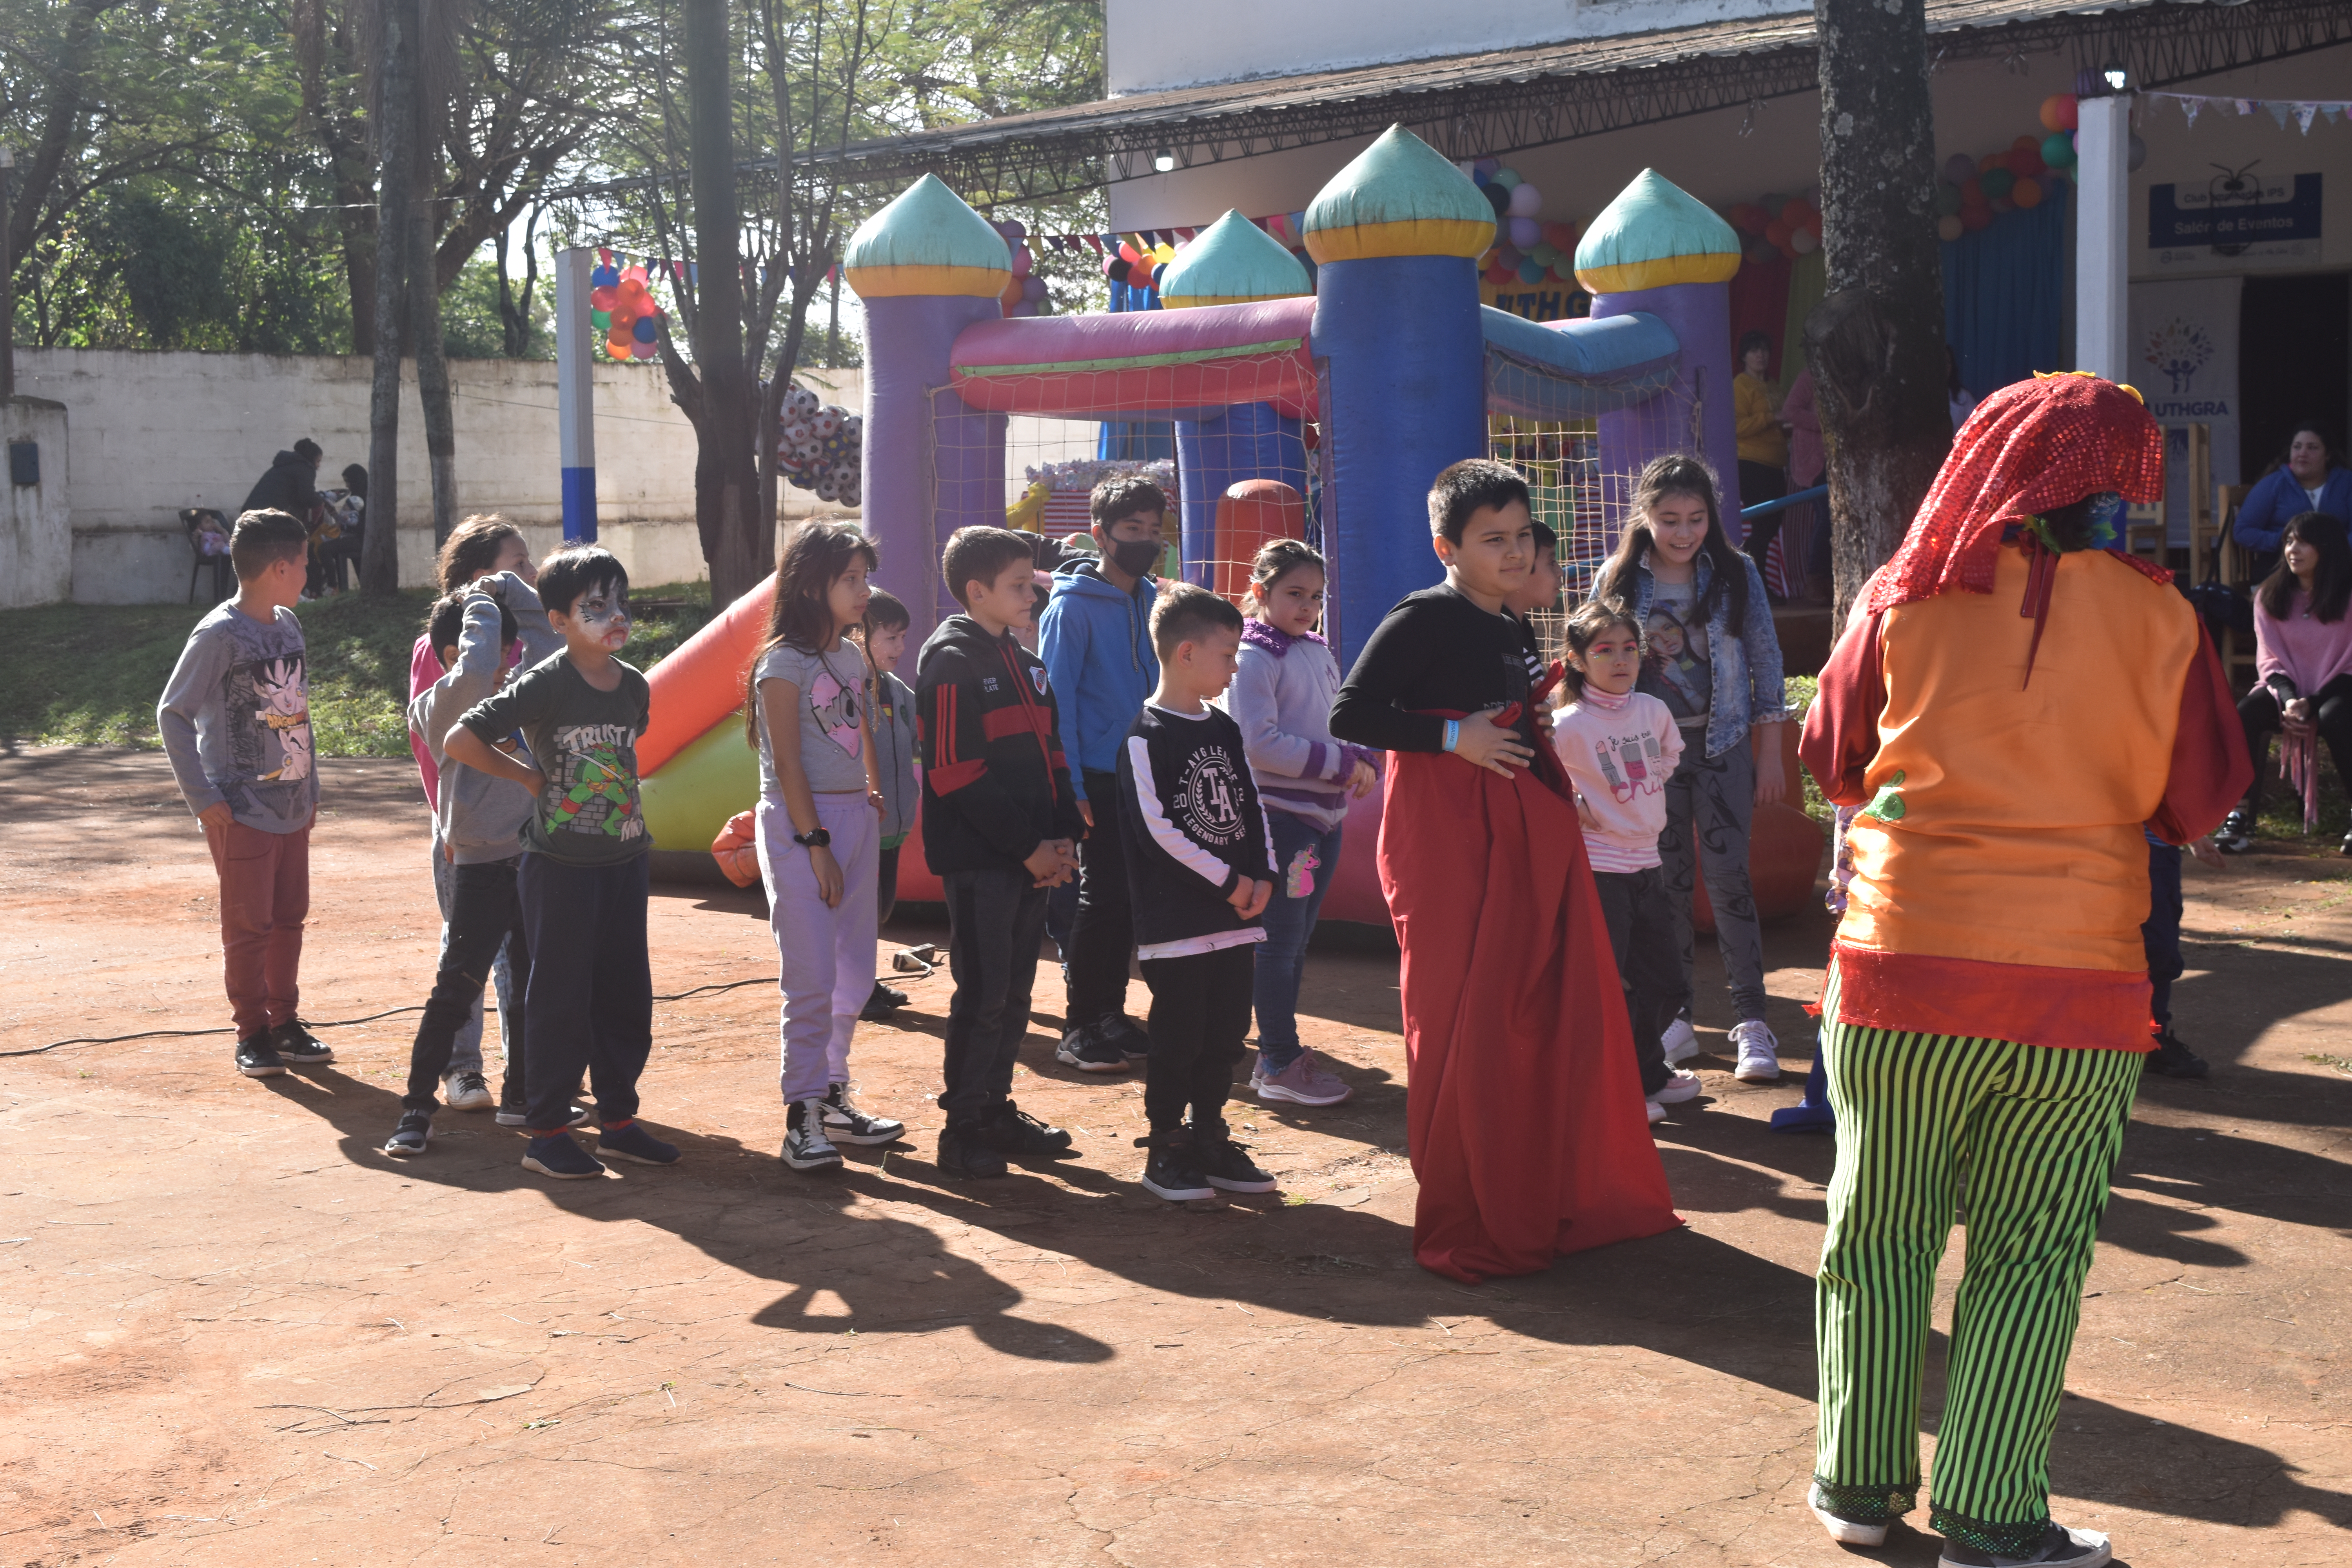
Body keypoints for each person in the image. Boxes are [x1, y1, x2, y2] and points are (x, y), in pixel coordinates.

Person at [1796, 372, 2249, 1565]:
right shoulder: (2163, 620)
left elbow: (1829, 755)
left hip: (1895, 972)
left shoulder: (1901, 592)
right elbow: (2194, 805)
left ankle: (1855, 1484)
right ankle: (1991, 1514)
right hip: (2076, 990)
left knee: (1874, 1231)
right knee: (2031, 1251)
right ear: (2119, 480)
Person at [1330, 457, 1679, 1283]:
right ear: (1448, 545)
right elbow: (1353, 710)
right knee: (1468, 1021)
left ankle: (1538, 1184)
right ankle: (1476, 1197)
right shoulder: (1425, 615)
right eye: (1495, 539)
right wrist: (1457, 738)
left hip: (1521, 838)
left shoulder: (1512, 621)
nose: (1517, 552)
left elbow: (1523, 712)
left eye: (1523, 536)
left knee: (1532, 1009)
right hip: (1451, 842)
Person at [445, 546, 679, 1180]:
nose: (614, 617)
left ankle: (620, 1122)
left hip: (625, 861)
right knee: (558, 998)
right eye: (595, 607)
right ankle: (546, 1130)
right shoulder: (547, 681)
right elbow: (462, 737)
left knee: (626, 994)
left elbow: (628, 746)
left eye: (620, 603)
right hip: (560, 868)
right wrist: (526, 778)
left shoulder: (633, 685)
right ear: (559, 621)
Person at [1590, 454, 1791, 1084]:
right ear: (1645, 517)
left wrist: (1771, 754)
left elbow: (1766, 661)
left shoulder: (1738, 576)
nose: (1683, 532)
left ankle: (1752, 1020)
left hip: (1723, 747)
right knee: (1668, 886)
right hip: (1647, 758)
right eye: (1670, 519)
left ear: (1713, 518)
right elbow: (1592, 662)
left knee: (1730, 880)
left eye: (1696, 519)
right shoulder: (1620, 579)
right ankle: (1677, 1015)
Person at [916, 526, 1086, 1180]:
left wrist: (1066, 833)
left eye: (1032, 582)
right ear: (976, 591)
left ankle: (997, 1109)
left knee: (1015, 994)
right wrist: (1026, 849)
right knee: (983, 994)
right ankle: (962, 1130)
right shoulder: (951, 659)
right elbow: (956, 774)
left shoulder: (1027, 660)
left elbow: (1053, 753)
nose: (1032, 592)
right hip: (986, 863)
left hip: (1033, 860)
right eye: (1018, 585)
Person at [746, 521, 905, 1172]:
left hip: (851, 822)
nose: (864, 590)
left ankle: (834, 1096)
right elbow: (787, 765)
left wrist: (868, 791)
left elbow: (860, 723)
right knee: (810, 976)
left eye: (865, 576)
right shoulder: (781, 664)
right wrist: (816, 843)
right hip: (799, 827)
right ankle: (802, 1113)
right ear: (812, 585)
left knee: (853, 973)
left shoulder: (851, 656)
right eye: (851, 579)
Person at [156, 509, 333, 1080]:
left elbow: (297, 710)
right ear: (281, 567)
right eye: (305, 563)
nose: (309, 573)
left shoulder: (287, 624)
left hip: (292, 804)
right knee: (249, 923)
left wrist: (311, 784)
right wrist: (202, 795)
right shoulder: (218, 635)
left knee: (289, 918)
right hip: (241, 811)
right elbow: (173, 713)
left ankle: (286, 1021)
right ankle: (252, 1031)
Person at [1119, 584, 1281, 1200]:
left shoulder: (1224, 727)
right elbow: (1158, 833)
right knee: (1179, 1038)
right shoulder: (1145, 736)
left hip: (1237, 917)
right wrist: (1231, 881)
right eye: (1228, 654)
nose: (1235, 666)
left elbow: (1250, 805)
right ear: (1186, 654)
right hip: (1178, 923)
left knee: (1225, 1034)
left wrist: (1262, 875)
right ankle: (1167, 1146)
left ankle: (1210, 1136)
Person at [384, 586, 550, 1155]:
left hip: (533, 859)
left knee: (531, 985)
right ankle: (415, 1110)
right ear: (456, 654)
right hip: (481, 865)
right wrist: (481, 601)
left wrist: (513, 591)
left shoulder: (524, 693)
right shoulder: (441, 703)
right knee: (457, 988)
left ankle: (523, 1095)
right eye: (500, 651)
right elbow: (477, 673)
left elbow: (550, 639)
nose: (508, 661)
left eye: (509, 651)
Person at [1224, 540, 1377, 1109]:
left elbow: (1337, 714)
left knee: (1296, 939)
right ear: (1261, 591)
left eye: (1316, 596)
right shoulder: (1253, 656)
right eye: (1294, 594)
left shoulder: (1315, 649)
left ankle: (1277, 1053)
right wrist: (1341, 763)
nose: (1307, 607)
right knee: (1280, 942)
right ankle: (1279, 1061)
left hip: (1323, 821)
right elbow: (1257, 742)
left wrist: (1360, 755)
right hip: (1283, 821)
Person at [1548, 598, 1702, 1125]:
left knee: (1666, 983)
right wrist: (1572, 801)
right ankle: (1613, 1089)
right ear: (1576, 659)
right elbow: (1541, 779)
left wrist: (1648, 781)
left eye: (1630, 649)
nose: (1620, 659)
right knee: (1606, 986)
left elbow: (1670, 751)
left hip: (1647, 866)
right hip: (1599, 873)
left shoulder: (1653, 710)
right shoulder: (1567, 723)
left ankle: (1647, 1073)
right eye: (1605, 650)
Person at [1039, 476, 1165, 1073]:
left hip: (1145, 768)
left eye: (1153, 531)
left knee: (1128, 900)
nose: (1144, 542)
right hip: (1097, 774)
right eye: (1131, 531)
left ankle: (1111, 1014)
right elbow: (1056, 699)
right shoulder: (1070, 609)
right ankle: (1079, 1025)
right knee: (1100, 896)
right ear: (1100, 535)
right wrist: (1072, 788)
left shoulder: (1149, 599)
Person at [2217, 511, 2352, 856]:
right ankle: (2239, 815)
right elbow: (2269, 661)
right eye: (2289, 541)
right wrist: (2293, 700)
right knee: (2247, 712)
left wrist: (2315, 700)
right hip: (2284, 689)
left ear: (2328, 548)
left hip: (2339, 687)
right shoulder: (2269, 595)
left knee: (2338, 715)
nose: (2293, 549)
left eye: (2303, 542)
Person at [861, 587, 919, 1021]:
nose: (900, 647)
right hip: (863, 825)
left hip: (895, 825)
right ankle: (855, 988)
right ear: (859, 635)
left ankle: (866, 981)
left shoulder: (900, 693)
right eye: (891, 637)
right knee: (860, 910)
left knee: (881, 908)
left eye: (903, 638)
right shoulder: (846, 691)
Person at [2232, 421, 2352, 579]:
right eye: (2297, 447)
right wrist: (2290, 541)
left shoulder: (2346, 482)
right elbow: (2243, 531)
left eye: (2312, 448)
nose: (2303, 453)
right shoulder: (2272, 484)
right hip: (2283, 568)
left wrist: (2336, 547)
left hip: (2337, 566)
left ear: (2328, 455)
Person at [1733, 330, 1790, 569]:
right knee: (1763, 525)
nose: (1761, 356)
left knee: (1773, 523)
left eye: (1764, 350)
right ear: (1744, 357)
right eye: (1754, 351)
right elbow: (1735, 427)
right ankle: (1752, 580)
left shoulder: (1773, 386)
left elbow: (1784, 420)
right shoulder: (1740, 385)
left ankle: (1756, 581)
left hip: (1777, 465)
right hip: (1751, 464)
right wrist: (1770, 418)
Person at [1945, 345, 1978, 432]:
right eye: (1941, 361)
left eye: (1949, 362)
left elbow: (1977, 428)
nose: (1945, 366)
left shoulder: (1964, 396)